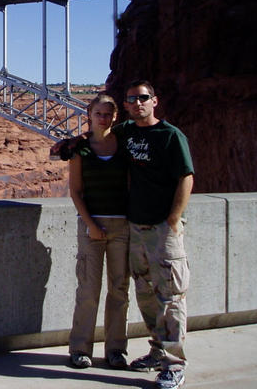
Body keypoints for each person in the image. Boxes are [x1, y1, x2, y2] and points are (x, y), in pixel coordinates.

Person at [116, 80, 194, 389]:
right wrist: (68, 146)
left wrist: (173, 219)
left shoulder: (171, 136)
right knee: (146, 293)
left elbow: (186, 177)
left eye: (144, 98)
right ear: (126, 105)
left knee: (171, 297)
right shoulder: (126, 132)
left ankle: (175, 365)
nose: (138, 103)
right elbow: (98, 139)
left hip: (163, 229)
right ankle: (158, 351)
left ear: (155, 101)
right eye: (132, 99)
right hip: (137, 226)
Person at [67, 93, 130, 370]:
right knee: (89, 290)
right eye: (98, 113)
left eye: (108, 114)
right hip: (92, 227)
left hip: (122, 226)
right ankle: (80, 348)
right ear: (89, 115)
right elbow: (75, 191)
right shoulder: (80, 148)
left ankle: (116, 349)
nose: (103, 118)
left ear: (115, 117)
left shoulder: (125, 145)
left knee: (119, 290)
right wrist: (91, 224)